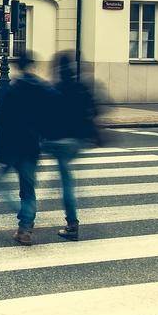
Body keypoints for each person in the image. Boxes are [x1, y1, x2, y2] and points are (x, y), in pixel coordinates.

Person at [0, 52, 55, 245]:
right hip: (31, 146)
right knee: (28, 188)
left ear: (18, 67)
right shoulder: (43, 89)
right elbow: (50, 119)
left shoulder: (12, 89)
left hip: (12, 145)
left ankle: (24, 216)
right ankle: (26, 226)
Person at [47, 51, 100, 241]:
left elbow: (45, 117)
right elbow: (95, 110)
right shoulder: (81, 87)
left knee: (66, 182)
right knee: (66, 176)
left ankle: (72, 224)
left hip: (60, 141)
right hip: (77, 140)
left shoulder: (55, 88)